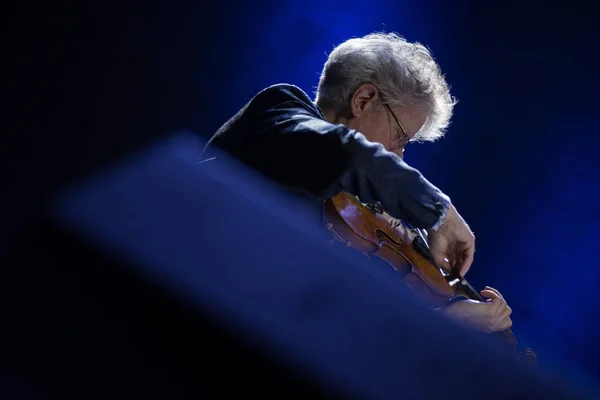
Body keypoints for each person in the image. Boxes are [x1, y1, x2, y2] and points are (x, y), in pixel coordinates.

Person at [201, 32, 512, 334]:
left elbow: (325, 315)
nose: (400, 156)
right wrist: (437, 210)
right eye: (400, 137)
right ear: (363, 100)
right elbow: (347, 153)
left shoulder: (340, 213)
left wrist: (441, 321)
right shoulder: (281, 109)